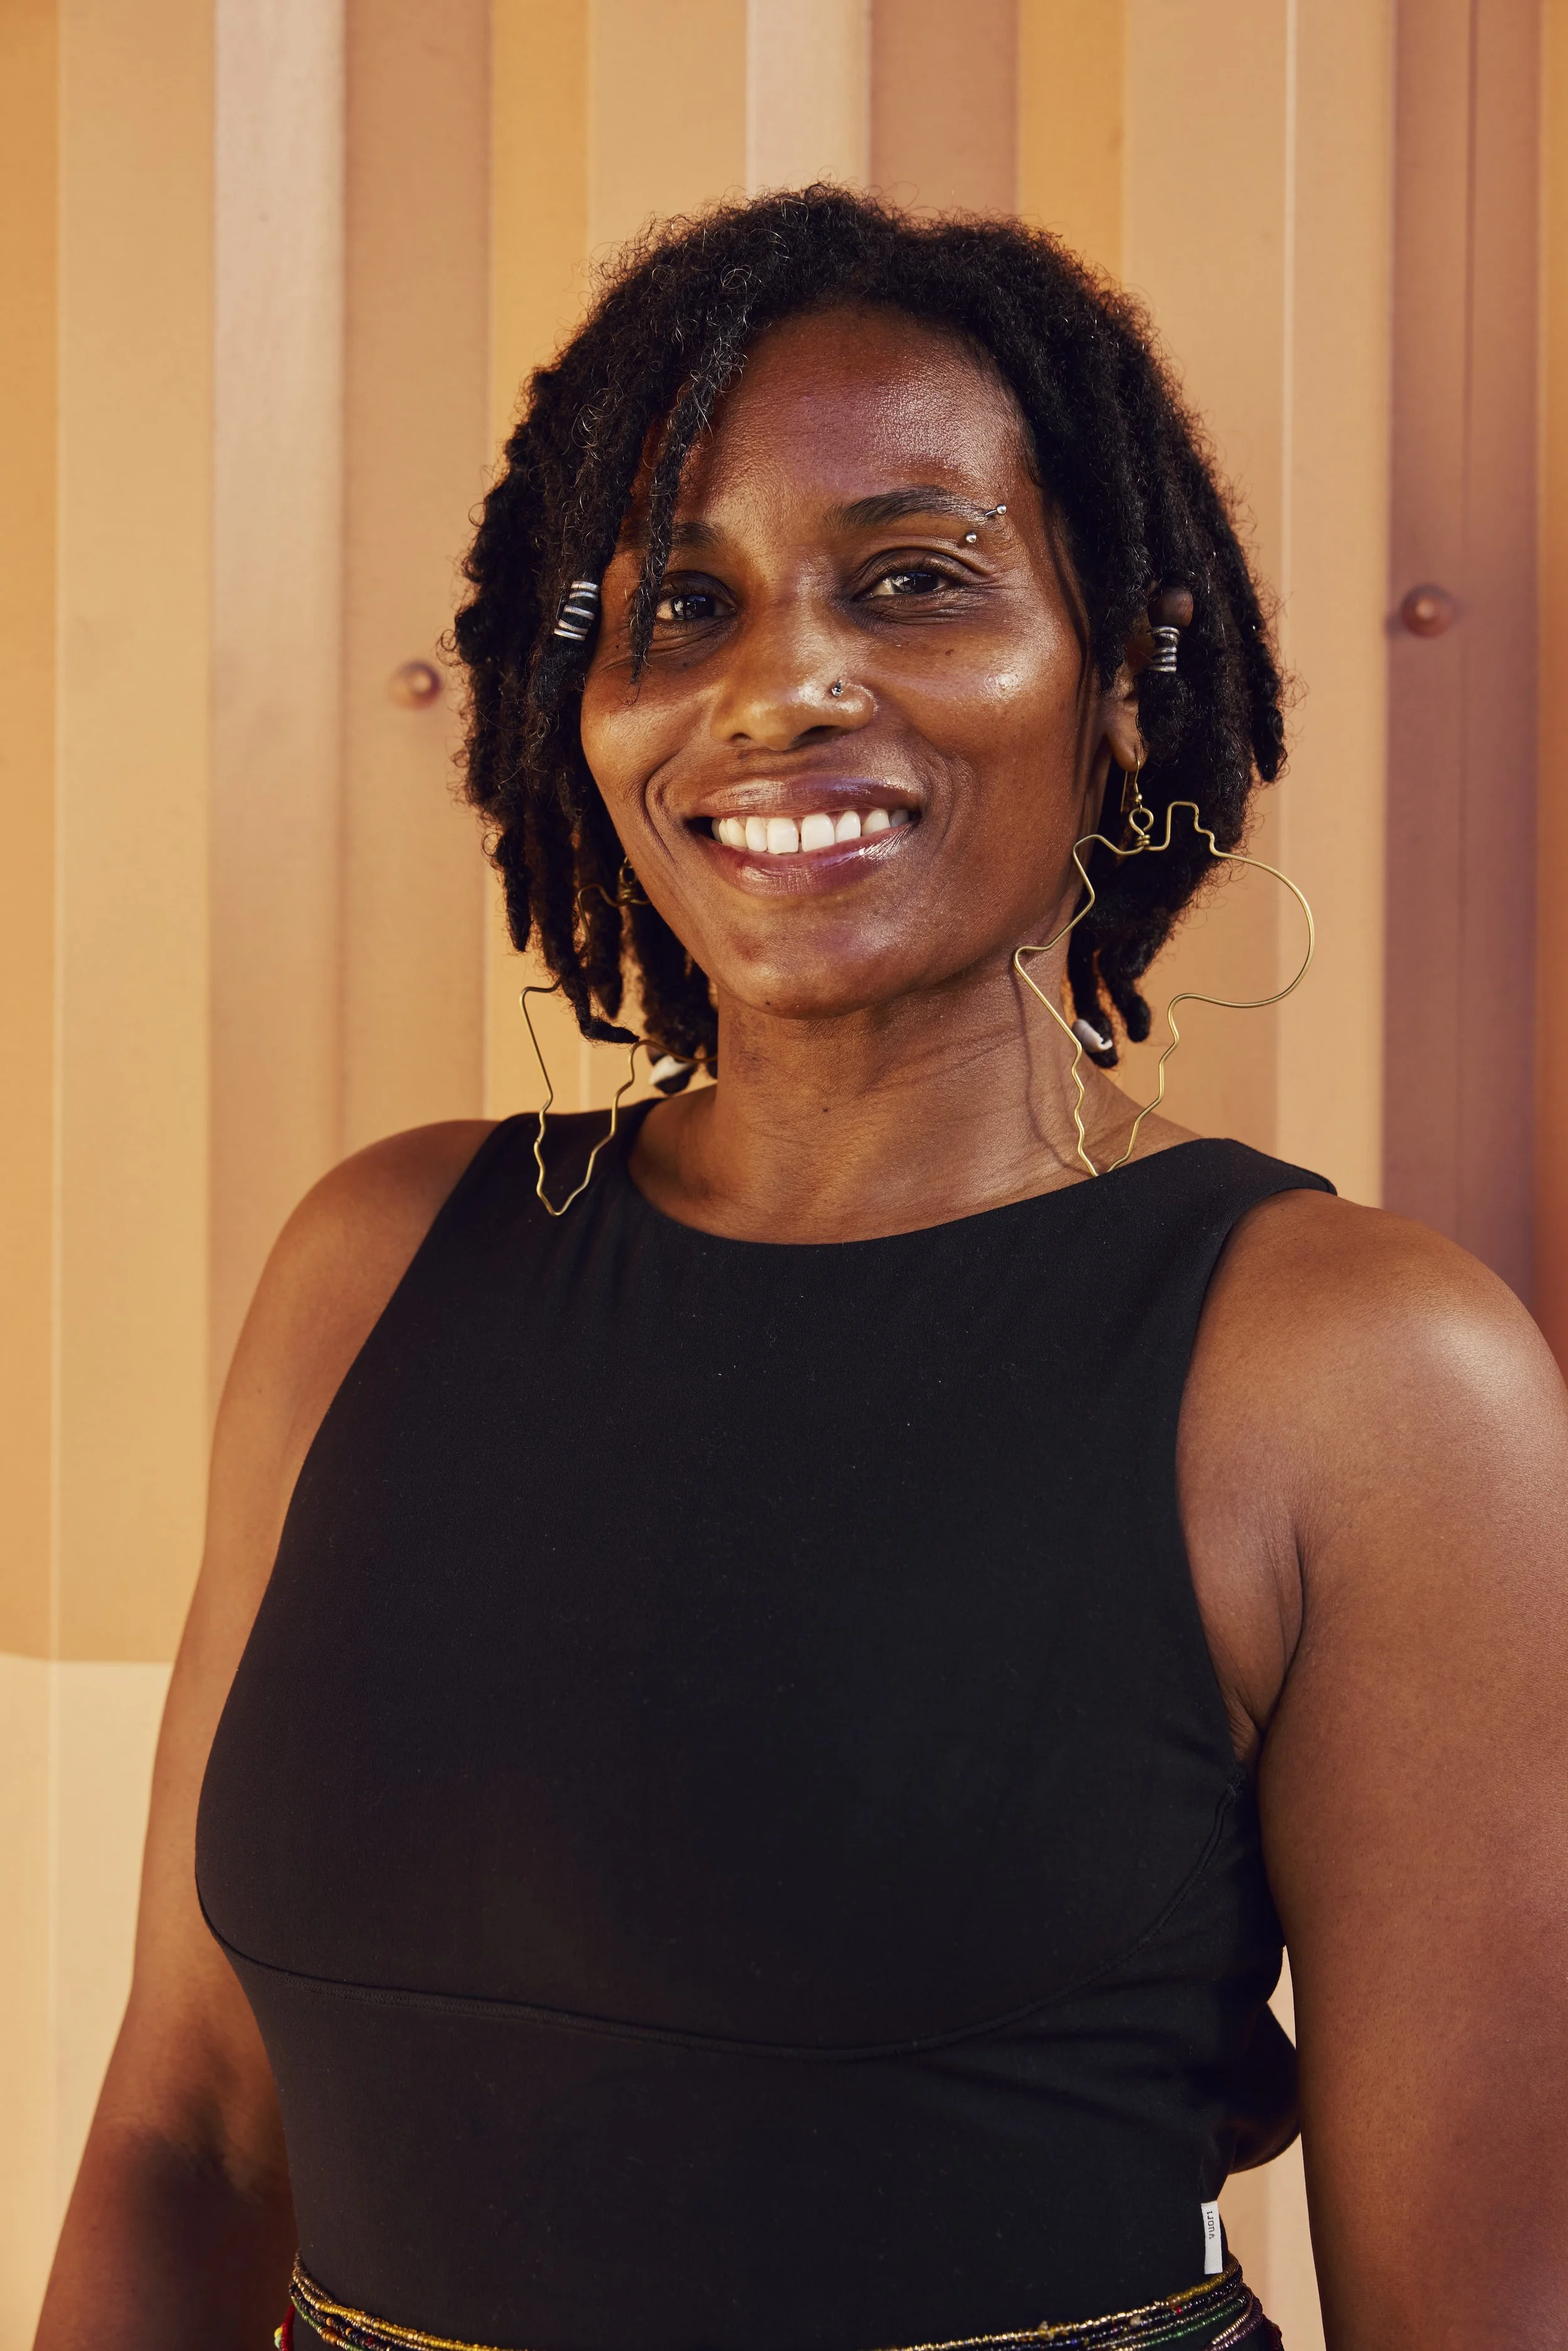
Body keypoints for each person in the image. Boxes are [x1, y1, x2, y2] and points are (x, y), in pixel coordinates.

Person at [34, 189, 1568, 2351]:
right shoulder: (372, 1265)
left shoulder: (1352, 1370)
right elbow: (181, 2129)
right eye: (680, 602)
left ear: (1123, 673)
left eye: (913, 580)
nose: (782, 686)